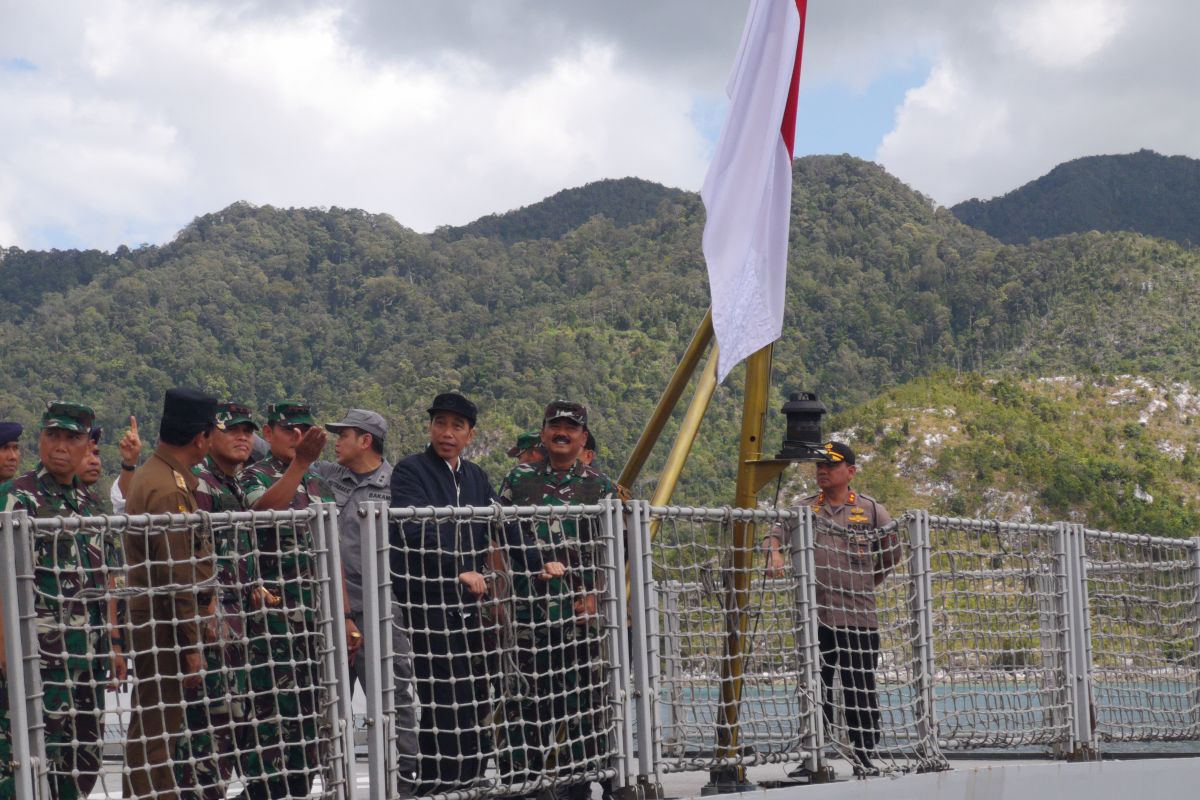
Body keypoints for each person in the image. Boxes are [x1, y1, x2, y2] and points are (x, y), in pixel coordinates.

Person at [390, 392, 560, 795]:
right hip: (427, 599)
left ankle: (457, 779)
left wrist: (539, 561)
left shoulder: (476, 477)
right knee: (443, 695)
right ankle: (447, 782)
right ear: (430, 427)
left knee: (470, 695)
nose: (447, 433)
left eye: (456, 426)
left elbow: (505, 526)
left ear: (470, 434)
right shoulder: (410, 471)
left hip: (471, 603)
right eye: (440, 423)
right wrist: (457, 569)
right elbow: (414, 531)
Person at [238, 401, 361, 800]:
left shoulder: (319, 485)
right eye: (289, 430)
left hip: (315, 622)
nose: (297, 437)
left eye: (304, 431)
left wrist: (344, 615)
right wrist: (299, 465)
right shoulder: (252, 476)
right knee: (270, 722)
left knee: (311, 721)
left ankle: (300, 785)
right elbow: (264, 510)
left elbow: (333, 553)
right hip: (270, 626)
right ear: (269, 432)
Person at [4, 402, 124, 800]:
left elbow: (105, 579)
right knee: (25, 761)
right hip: (37, 659)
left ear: (87, 443)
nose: (59, 446)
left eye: (71, 437)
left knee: (82, 763)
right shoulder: (17, 499)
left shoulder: (89, 506)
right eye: (52, 435)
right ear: (40, 438)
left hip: (86, 660)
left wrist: (114, 643)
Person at [497, 400, 615, 800]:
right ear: (544, 432)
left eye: (571, 427)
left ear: (583, 437)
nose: (562, 432)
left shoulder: (600, 487)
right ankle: (522, 786)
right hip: (529, 613)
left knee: (583, 704)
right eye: (555, 426)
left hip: (580, 617)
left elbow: (615, 550)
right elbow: (503, 536)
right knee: (523, 701)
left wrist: (597, 596)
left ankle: (577, 784)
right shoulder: (519, 479)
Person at [763, 441, 899, 775]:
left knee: (860, 689)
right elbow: (773, 534)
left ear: (850, 472)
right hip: (816, 619)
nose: (822, 471)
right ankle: (813, 756)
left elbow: (892, 553)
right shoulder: (804, 508)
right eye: (819, 466)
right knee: (815, 688)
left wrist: (866, 583)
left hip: (859, 617)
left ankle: (864, 755)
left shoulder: (871, 510)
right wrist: (774, 552)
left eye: (831, 466)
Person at [311, 408, 419, 794]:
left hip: (382, 613)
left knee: (392, 703)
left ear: (366, 440)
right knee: (331, 705)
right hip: (332, 613)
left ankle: (403, 782)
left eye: (344, 434)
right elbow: (272, 451)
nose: (337, 440)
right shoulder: (324, 476)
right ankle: (334, 785)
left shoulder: (396, 485)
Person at [123, 389, 218, 800]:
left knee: (152, 726)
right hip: (164, 625)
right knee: (156, 731)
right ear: (201, 437)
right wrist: (191, 645)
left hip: (155, 620)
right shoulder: (169, 490)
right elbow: (179, 578)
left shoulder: (155, 475)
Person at [173, 401, 259, 800]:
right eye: (231, 430)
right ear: (209, 436)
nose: (242, 436)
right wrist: (204, 619)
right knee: (207, 737)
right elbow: (193, 557)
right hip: (212, 628)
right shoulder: (201, 485)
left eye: (247, 430)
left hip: (240, 628)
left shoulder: (238, 485)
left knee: (234, 730)